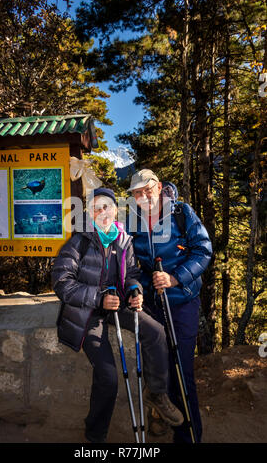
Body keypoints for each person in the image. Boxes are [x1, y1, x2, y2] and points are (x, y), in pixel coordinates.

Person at [52, 187, 183, 444]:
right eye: (97, 207)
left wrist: (134, 289)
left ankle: (156, 393)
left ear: (115, 210)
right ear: (90, 213)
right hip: (87, 312)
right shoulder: (79, 241)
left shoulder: (123, 240)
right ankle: (95, 435)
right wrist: (98, 298)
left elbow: (132, 273)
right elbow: (61, 282)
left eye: (107, 207)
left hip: (118, 305)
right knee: (109, 377)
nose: (103, 212)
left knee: (156, 332)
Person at [127, 170, 213, 443]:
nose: (143, 197)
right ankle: (160, 416)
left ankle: (188, 437)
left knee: (181, 372)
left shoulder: (181, 213)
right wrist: (137, 287)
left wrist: (176, 278)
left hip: (182, 302)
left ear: (159, 187)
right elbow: (133, 266)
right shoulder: (134, 221)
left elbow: (203, 250)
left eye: (147, 190)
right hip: (153, 304)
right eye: (136, 193)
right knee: (157, 366)